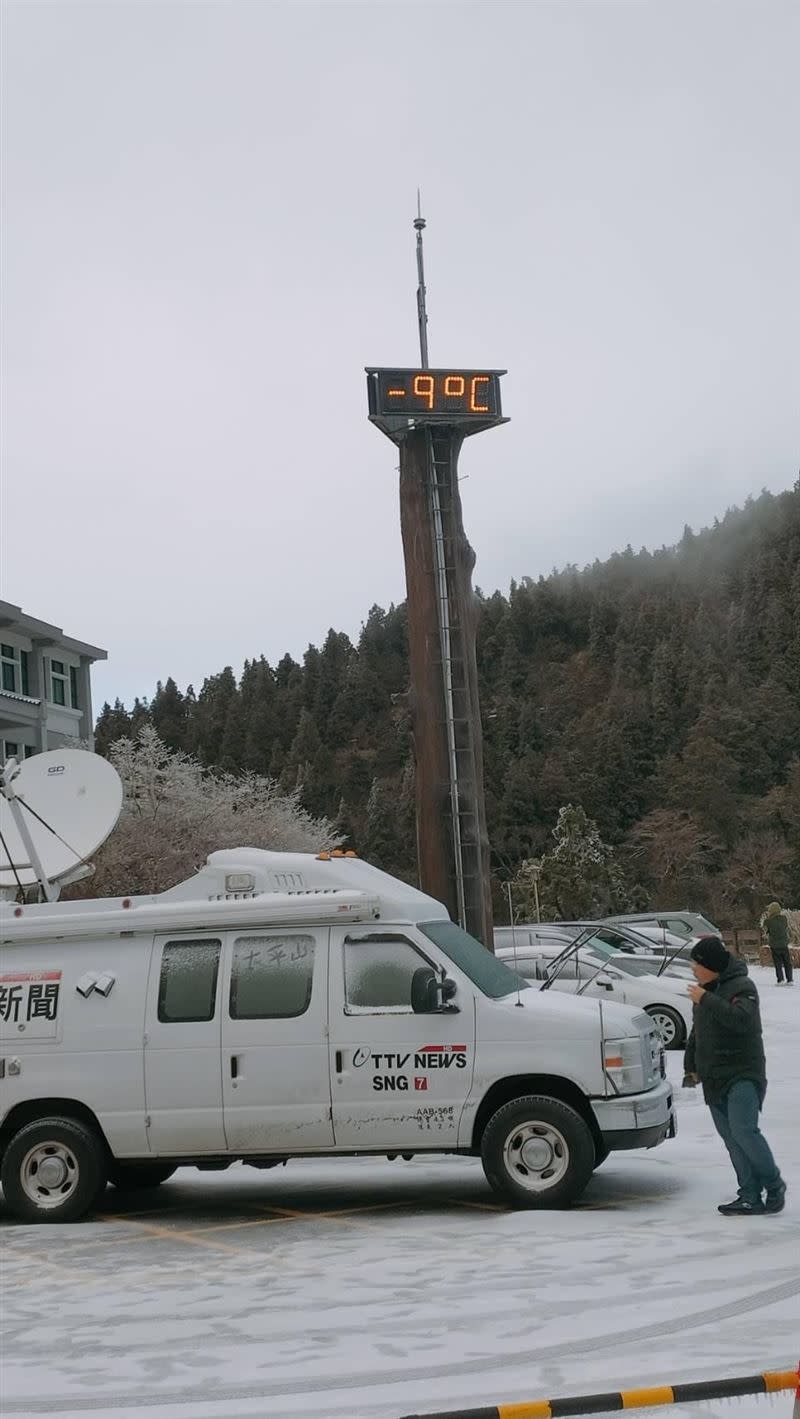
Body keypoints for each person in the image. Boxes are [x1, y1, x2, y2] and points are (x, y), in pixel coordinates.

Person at [683, 935, 786, 1216]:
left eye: (696, 963)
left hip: (743, 1073)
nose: (692, 968)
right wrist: (690, 1065)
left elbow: (741, 1020)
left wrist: (706, 999)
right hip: (713, 1075)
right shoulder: (703, 991)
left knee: (744, 1131)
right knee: (731, 1138)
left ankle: (774, 1184)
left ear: (711, 965)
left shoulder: (743, 987)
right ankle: (749, 1195)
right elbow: (698, 1032)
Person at [764, 901, 794, 985]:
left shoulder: (768, 921)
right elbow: (785, 928)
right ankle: (790, 979)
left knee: (778, 963)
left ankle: (780, 980)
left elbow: (765, 931)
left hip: (774, 945)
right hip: (784, 944)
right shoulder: (784, 918)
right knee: (787, 962)